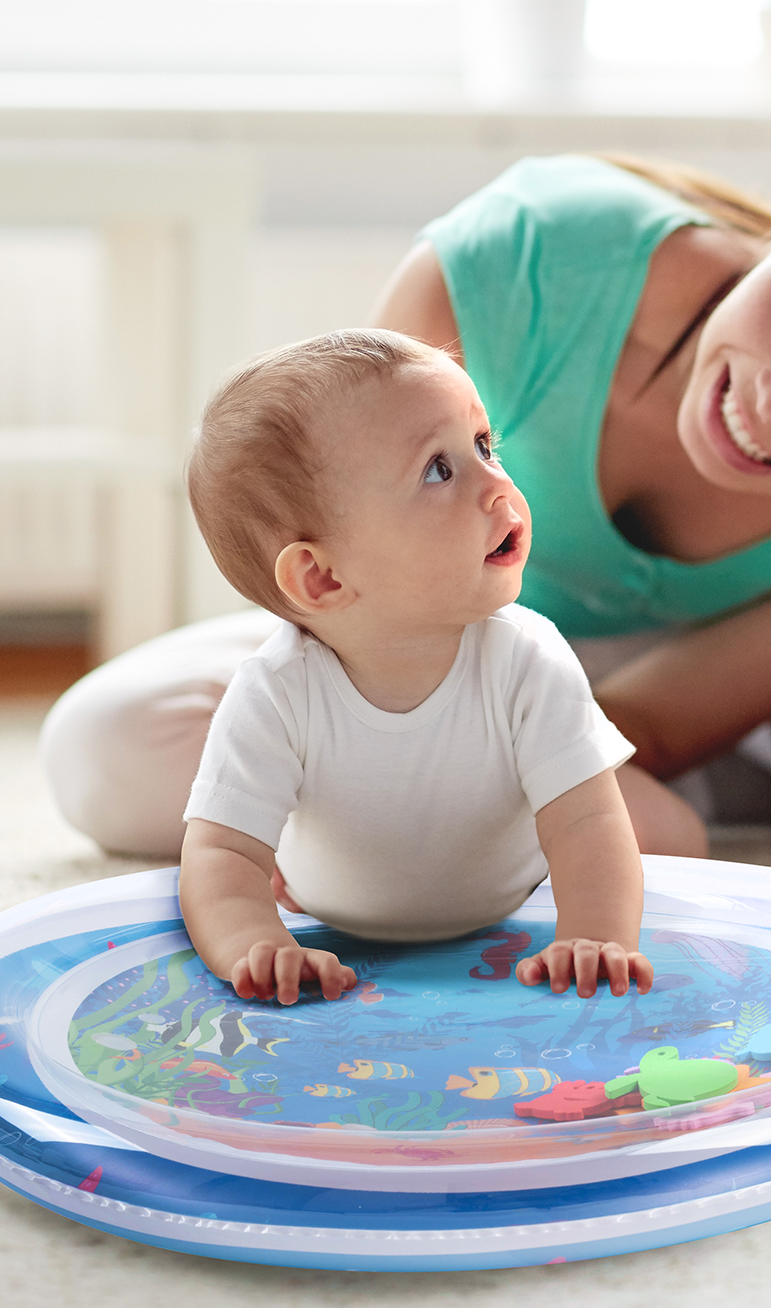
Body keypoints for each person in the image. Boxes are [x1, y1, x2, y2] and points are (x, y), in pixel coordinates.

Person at [42, 132, 771, 874]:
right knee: (112, 754)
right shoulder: (523, 260)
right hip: (454, 632)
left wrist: (497, 797)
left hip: (769, 675)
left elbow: (664, 724)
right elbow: (354, 558)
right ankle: (756, 785)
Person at [175, 329, 654, 1003]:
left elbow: (588, 824)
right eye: (439, 469)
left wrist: (594, 935)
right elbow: (223, 855)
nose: (498, 486)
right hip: (330, 914)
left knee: (650, 832)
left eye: (485, 445)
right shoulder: (276, 692)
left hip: (505, 898)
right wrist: (258, 945)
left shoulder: (527, 656)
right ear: (320, 578)